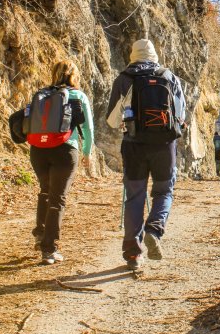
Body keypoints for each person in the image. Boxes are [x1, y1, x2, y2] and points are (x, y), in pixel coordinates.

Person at [106, 39, 186, 270]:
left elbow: (112, 120)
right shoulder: (169, 77)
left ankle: (133, 254)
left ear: (133, 55)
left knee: (135, 196)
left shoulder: (124, 79)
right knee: (163, 191)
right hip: (164, 145)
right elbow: (180, 115)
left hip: (134, 145)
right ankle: (154, 229)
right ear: (154, 55)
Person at [28, 60, 93, 265]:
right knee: (58, 198)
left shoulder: (41, 94)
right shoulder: (77, 96)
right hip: (65, 150)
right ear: (74, 75)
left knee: (45, 191)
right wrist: (87, 153)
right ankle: (49, 249)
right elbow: (88, 129)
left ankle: (40, 234)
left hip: (38, 150)